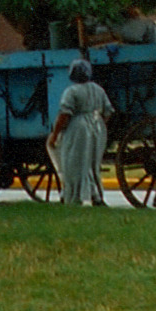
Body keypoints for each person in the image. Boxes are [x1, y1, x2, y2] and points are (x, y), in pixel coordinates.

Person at [47, 59, 113, 206]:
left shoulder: (71, 91)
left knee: (73, 162)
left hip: (78, 128)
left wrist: (55, 135)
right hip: (97, 126)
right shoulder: (98, 89)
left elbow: (64, 114)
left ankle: (74, 195)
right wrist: (98, 123)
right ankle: (95, 194)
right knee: (92, 163)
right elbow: (108, 111)